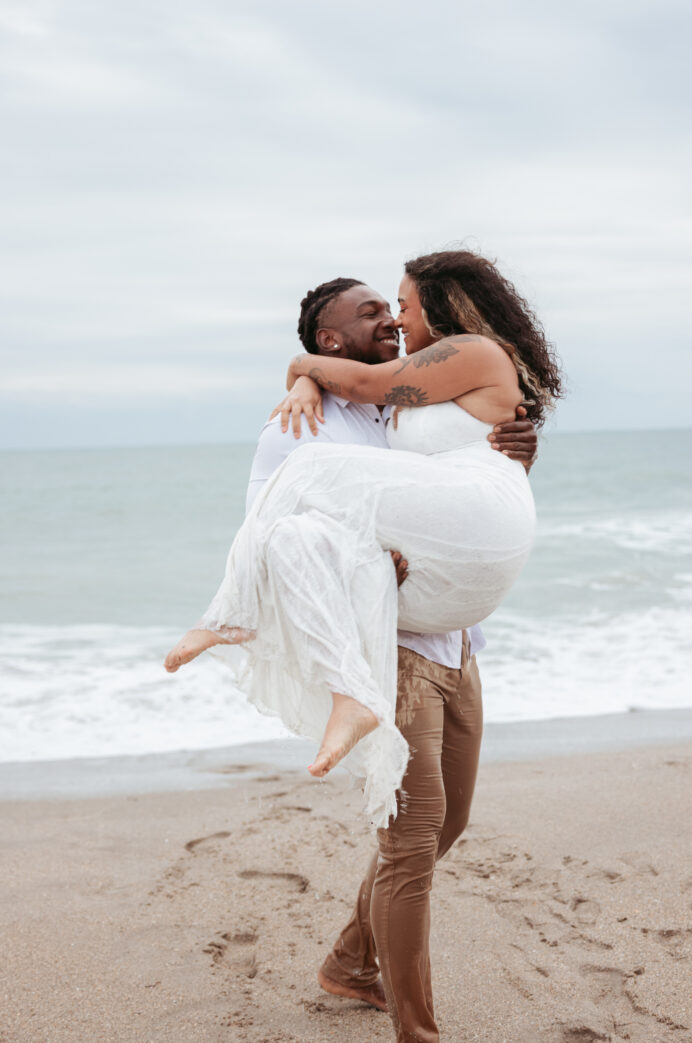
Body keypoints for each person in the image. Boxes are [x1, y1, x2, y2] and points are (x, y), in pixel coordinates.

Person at [165, 248, 563, 1040]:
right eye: (372, 312)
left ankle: (349, 960)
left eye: (398, 305)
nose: (392, 318)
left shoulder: (411, 400)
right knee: (413, 837)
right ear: (330, 339)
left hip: (456, 639)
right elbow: (276, 529)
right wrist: (303, 381)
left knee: (449, 825)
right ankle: (417, 1027)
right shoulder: (303, 422)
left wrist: (517, 452)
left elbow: (465, 490)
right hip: (392, 647)